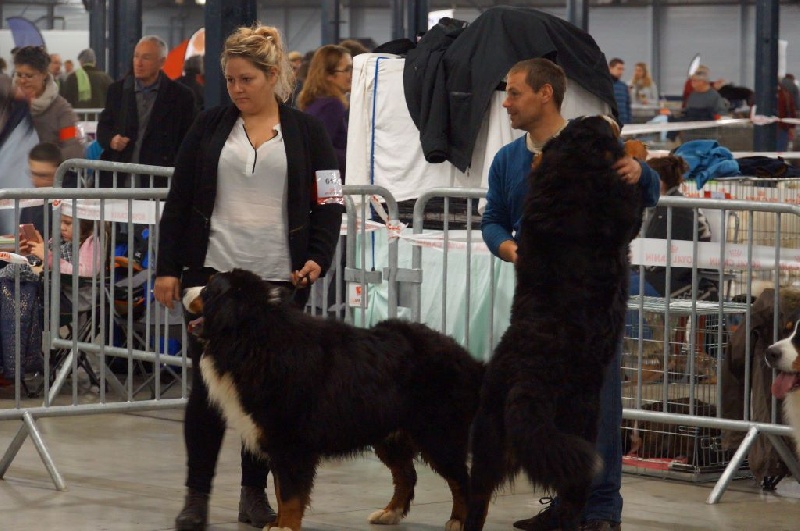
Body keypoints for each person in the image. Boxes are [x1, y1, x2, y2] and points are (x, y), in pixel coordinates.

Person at [153, 23, 343, 531]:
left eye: (247, 80)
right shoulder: (209, 126)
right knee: (206, 393)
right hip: (212, 279)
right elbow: (177, 202)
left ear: (272, 75)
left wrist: (318, 257)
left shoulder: (309, 132)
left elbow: (330, 202)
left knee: (267, 399)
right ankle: (196, 497)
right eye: (231, 80)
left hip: (281, 284)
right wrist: (167, 268)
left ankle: (253, 495)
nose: (237, 89)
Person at [481, 57, 660, 531]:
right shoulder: (507, 160)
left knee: (597, 405)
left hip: (594, 307)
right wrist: (510, 248)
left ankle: (600, 510)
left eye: (515, 93)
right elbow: (492, 218)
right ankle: (566, 504)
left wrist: (640, 172)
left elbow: (649, 190)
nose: (507, 103)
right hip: (540, 304)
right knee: (548, 404)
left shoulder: (595, 147)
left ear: (545, 94)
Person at [96, 35, 197, 187]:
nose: (138, 63)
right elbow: (103, 127)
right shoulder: (117, 91)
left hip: (160, 181)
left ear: (162, 62)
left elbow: (189, 139)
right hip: (119, 179)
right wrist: (111, 140)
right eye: (136, 56)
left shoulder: (181, 97)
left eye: (146, 58)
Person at [639, 155, 715, 299]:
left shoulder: (674, 210)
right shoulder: (667, 205)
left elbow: (659, 261)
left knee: (624, 288)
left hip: (678, 281)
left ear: (658, 182)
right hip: (672, 275)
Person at [13, 46, 83, 161]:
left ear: (44, 74)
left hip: (47, 174)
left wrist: (46, 162)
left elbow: (72, 147)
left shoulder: (61, 110)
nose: (22, 81)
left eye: (29, 76)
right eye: (19, 75)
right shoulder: (7, 103)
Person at [297, 44, 351, 176]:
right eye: (347, 69)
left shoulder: (317, 103)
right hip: (329, 184)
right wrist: (353, 157)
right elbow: (321, 151)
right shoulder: (331, 105)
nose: (352, 74)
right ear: (328, 75)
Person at [608, 57, 631, 125]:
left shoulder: (624, 86)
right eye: (619, 69)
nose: (621, 72)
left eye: (622, 69)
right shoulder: (604, 85)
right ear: (610, 68)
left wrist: (629, 122)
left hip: (623, 122)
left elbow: (628, 106)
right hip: (610, 122)